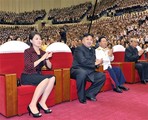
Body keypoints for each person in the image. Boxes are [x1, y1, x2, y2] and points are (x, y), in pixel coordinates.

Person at [21, 31, 55, 117]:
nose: (39, 40)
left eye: (40, 39)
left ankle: (42, 102)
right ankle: (32, 104)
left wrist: (47, 59)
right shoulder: (27, 51)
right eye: (36, 39)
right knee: (45, 79)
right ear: (31, 41)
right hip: (27, 75)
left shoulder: (43, 52)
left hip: (38, 75)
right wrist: (41, 59)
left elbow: (50, 67)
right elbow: (29, 66)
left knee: (52, 78)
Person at [70, 33, 106, 104]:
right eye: (87, 39)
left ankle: (89, 93)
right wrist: (94, 63)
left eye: (91, 40)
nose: (89, 41)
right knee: (82, 73)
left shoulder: (93, 50)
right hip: (77, 70)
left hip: (89, 71)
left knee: (101, 76)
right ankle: (81, 97)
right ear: (82, 41)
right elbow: (82, 61)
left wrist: (98, 64)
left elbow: (93, 62)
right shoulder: (79, 49)